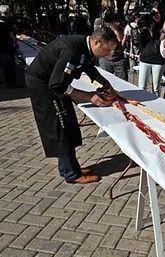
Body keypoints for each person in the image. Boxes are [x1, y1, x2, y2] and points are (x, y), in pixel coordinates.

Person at [25, 27, 119, 184]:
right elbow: (57, 85)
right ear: (96, 42)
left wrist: (106, 84)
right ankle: (71, 174)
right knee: (60, 126)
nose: (108, 55)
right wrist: (89, 96)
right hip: (43, 85)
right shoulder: (71, 50)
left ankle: (69, 167)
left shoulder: (85, 46)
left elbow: (87, 67)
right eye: (107, 50)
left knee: (68, 123)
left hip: (55, 83)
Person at [138, 7, 165, 97]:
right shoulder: (143, 25)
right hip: (144, 59)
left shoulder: (161, 25)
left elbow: (162, 39)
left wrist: (158, 22)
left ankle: (157, 106)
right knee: (141, 87)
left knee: (156, 89)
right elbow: (139, 42)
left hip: (158, 60)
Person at [0, 4, 18, 88]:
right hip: (8, 45)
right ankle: (12, 83)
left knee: (4, 64)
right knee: (11, 64)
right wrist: (16, 42)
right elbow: (11, 34)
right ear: (8, 11)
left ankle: (7, 81)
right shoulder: (8, 21)